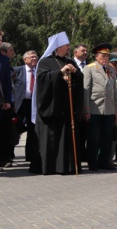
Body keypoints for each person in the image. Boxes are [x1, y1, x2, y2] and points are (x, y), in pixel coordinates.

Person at [31, 32, 83, 175]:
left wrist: (75, 72)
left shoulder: (70, 61)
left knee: (67, 137)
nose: (68, 47)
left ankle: (68, 166)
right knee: (52, 138)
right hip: (52, 107)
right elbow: (42, 80)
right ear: (58, 46)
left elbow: (79, 78)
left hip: (67, 107)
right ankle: (50, 167)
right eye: (66, 45)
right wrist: (60, 72)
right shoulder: (45, 61)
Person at [83, 43, 117, 171]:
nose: (105, 58)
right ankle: (92, 162)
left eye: (107, 56)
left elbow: (113, 90)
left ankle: (104, 161)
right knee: (93, 137)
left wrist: (115, 110)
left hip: (108, 109)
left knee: (107, 137)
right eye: (103, 56)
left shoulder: (111, 69)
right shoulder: (89, 68)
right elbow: (86, 89)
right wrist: (86, 109)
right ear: (96, 56)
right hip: (94, 108)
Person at [13, 50, 38, 161]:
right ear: (25, 59)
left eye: (35, 57)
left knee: (33, 131)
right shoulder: (17, 70)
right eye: (32, 57)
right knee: (15, 130)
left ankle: (31, 156)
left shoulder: (38, 71)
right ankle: (8, 156)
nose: (34, 59)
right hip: (19, 105)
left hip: (33, 105)